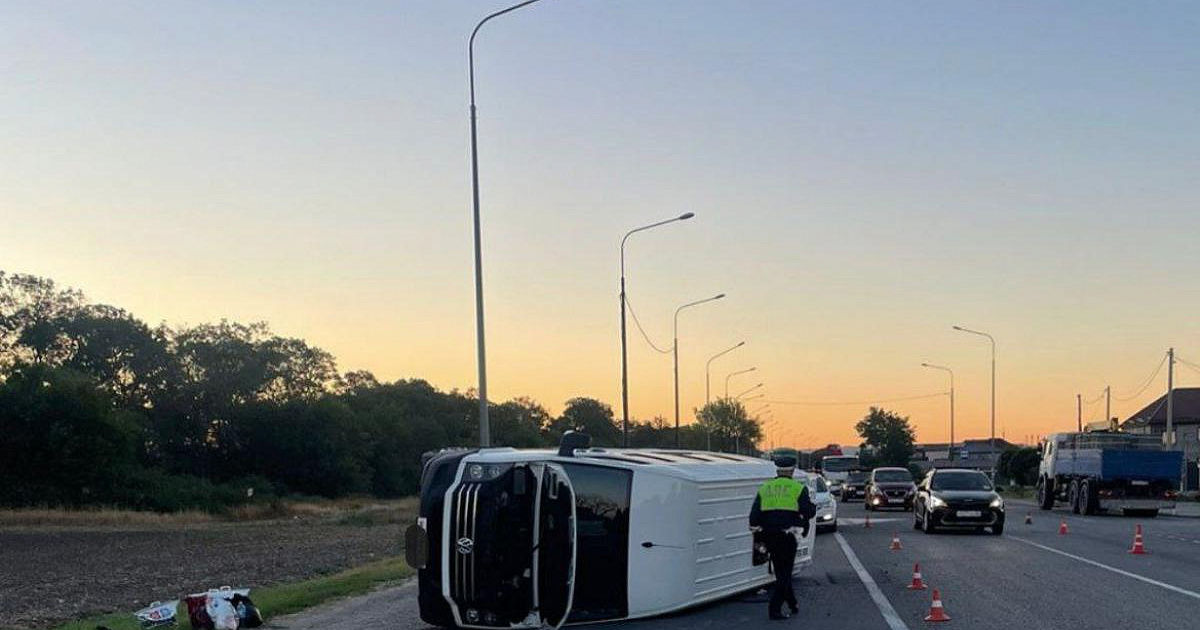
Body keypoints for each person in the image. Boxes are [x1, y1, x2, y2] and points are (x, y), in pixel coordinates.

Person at [749, 454, 816, 620]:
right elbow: (808, 511)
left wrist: (758, 532)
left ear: (777, 470)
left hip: (768, 536)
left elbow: (754, 516)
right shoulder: (798, 488)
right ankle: (774, 609)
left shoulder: (765, 488)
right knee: (785, 573)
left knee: (781, 572)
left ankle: (792, 603)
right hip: (787, 536)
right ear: (792, 470)